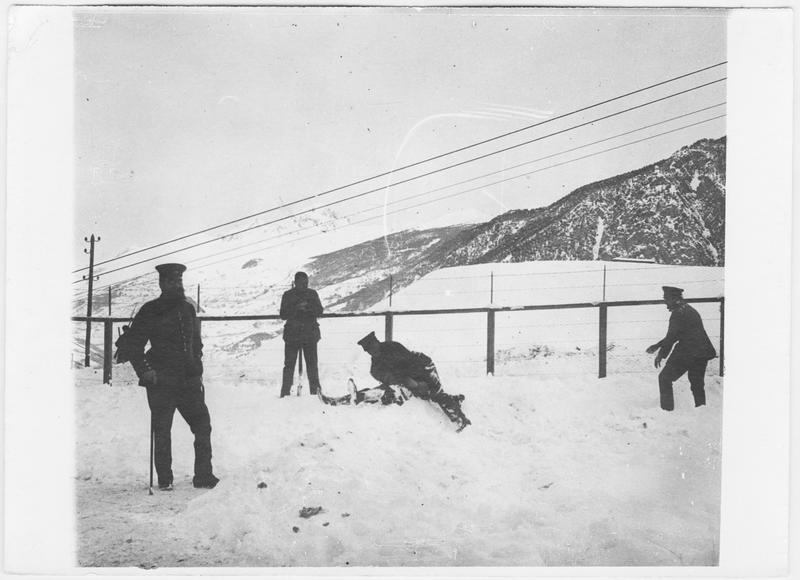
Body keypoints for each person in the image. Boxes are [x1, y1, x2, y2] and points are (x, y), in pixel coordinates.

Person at [117, 263, 219, 490]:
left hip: (188, 381)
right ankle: (165, 479)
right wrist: (145, 371)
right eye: (172, 281)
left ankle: (203, 476)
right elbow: (133, 345)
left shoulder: (188, 309)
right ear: (162, 283)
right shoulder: (150, 310)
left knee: (203, 426)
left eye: (180, 281)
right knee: (162, 430)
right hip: (161, 381)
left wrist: (197, 365)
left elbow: (196, 343)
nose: (177, 285)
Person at [355, 331, 471, 432]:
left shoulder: (393, 347)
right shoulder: (375, 366)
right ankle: (455, 400)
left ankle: (461, 420)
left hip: (423, 366)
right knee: (423, 395)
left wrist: (418, 383)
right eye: (369, 350)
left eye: (373, 347)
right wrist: (410, 383)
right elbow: (388, 378)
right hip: (408, 377)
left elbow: (412, 364)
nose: (372, 351)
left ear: (377, 342)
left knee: (435, 393)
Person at [646, 286, 717, 411]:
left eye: (666, 299)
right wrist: (657, 345)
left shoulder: (678, 313)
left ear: (673, 299)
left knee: (664, 378)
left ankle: (667, 411)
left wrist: (661, 355)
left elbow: (672, 337)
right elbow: (677, 334)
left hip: (688, 352)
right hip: (702, 352)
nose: (665, 302)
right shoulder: (689, 310)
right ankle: (702, 413)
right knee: (697, 384)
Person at [280, 271, 324, 397]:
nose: (304, 286)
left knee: (312, 366)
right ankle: (285, 393)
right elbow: (283, 314)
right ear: (295, 283)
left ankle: (316, 394)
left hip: (308, 335)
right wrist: (297, 308)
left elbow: (319, 311)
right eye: (301, 283)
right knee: (289, 366)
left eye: (305, 283)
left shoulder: (312, 294)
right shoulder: (288, 295)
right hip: (293, 336)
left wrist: (308, 309)